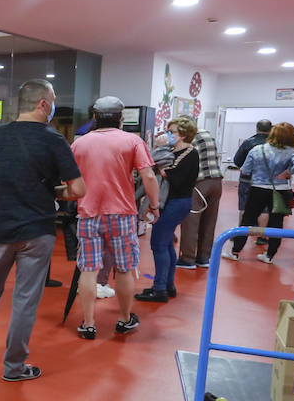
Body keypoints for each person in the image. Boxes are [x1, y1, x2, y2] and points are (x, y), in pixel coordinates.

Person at [0, 80, 84, 381]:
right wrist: (54, 193)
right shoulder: (54, 140)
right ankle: (14, 368)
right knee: (25, 300)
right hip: (36, 232)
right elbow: (77, 188)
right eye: (53, 101)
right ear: (43, 104)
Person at [70, 96, 160, 339]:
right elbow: (149, 177)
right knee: (124, 269)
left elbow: (69, 180)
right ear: (121, 118)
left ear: (95, 118)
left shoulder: (79, 143)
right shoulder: (132, 141)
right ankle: (124, 319)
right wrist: (154, 205)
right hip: (121, 213)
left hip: (88, 213)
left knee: (88, 270)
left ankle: (88, 324)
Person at [138, 117, 200, 303]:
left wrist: (161, 156)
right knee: (165, 244)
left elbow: (172, 177)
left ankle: (159, 288)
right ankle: (167, 284)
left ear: (182, 134)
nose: (168, 135)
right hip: (174, 202)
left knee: (158, 244)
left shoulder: (190, 154)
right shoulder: (176, 152)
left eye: (171, 132)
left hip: (176, 203)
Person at [226, 122, 294, 263]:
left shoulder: (258, 149)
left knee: (248, 220)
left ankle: (235, 251)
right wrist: (287, 172)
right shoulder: (293, 151)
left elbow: (245, 169)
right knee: (277, 223)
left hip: (258, 189)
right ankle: (269, 255)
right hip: (281, 191)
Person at [174, 123, 224, 269]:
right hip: (216, 182)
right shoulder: (207, 133)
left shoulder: (189, 138)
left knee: (191, 222)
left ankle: (187, 258)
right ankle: (203, 257)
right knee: (209, 221)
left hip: (199, 184)